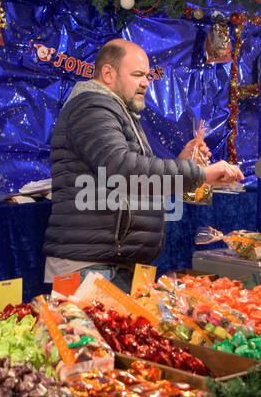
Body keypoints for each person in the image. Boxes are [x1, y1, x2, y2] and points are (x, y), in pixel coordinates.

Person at [43, 39, 243, 291]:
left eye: (147, 76)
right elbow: (124, 170)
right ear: (107, 73)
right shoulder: (92, 108)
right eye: (137, 75)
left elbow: (136, 179)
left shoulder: (117, 111)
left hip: (109, 266)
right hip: (89, 269)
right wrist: (199, 173)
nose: (146, 82)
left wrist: (182, 162)